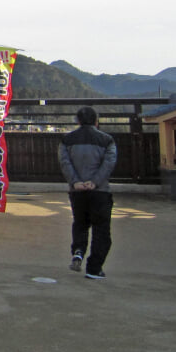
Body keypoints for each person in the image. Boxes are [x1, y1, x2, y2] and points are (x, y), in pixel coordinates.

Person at [58, 106, 117, 279]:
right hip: (100, 191)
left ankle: (78, 251)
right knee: (101, 230)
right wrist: (95, 182)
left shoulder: (66, 140)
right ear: (96, 121)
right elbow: (109, 164)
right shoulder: (107, 140)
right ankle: (94, 268)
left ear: (78, 121)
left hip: (77, 191)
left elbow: (64, 163)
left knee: (80, 223)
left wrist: (75, 182)